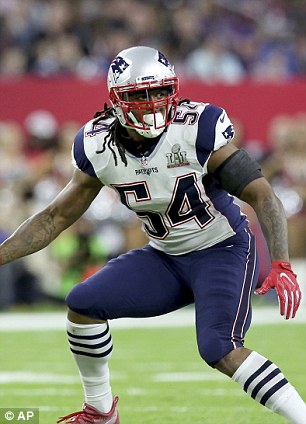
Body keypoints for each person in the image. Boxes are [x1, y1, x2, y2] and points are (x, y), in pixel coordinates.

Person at [0, 46, 305, 424]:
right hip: (165, 256)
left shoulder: (197, 128)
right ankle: (100, 412)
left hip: (221, 249)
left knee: (219, 347)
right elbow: (54, 216)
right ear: (115, 101)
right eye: (138, 95)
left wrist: (280, 262)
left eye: (159, 91)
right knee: (83, 304)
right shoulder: (98, 145)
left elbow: (263, 194)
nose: (151, 103)